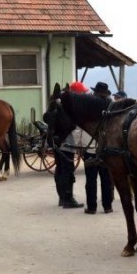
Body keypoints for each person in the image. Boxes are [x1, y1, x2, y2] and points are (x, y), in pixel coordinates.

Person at [52, 81, 87, 209]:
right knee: (68, 170)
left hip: (57, 141)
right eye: (82, 92)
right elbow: (76, 127)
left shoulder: (58, 102)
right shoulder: (72, 105)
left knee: (60, 169)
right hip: (68, 142)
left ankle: (62, 197)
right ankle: (68, 198)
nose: (84, 94)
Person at [83, 82, 114, 214]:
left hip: (90, 147)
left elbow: (82, 127)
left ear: (95, 93)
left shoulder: (88, 107)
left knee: (91, 180)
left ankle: (92, 207)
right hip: (106, 148)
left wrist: (82, 146)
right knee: (106, 179)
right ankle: (107, 206)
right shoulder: (111, 106)